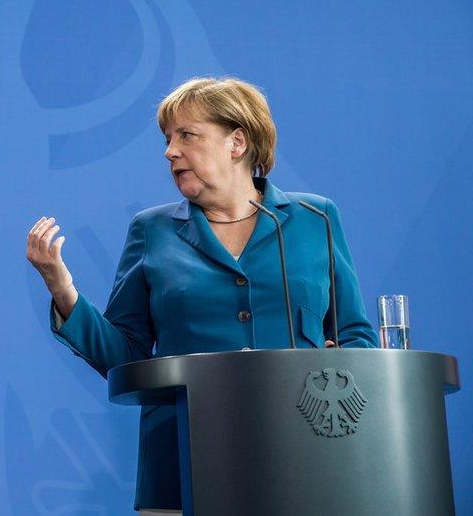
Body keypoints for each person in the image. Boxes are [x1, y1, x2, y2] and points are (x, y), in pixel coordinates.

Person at [26, 77, 377, 513]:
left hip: (305, 460)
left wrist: (341, 361)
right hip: (183, 461)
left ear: (237, 142)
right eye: (167, 139)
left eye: (186, 135)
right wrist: (64, 291)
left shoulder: (315, 218)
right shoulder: (152, 231)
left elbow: (357, 337)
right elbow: (126, 356)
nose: (169, 151)